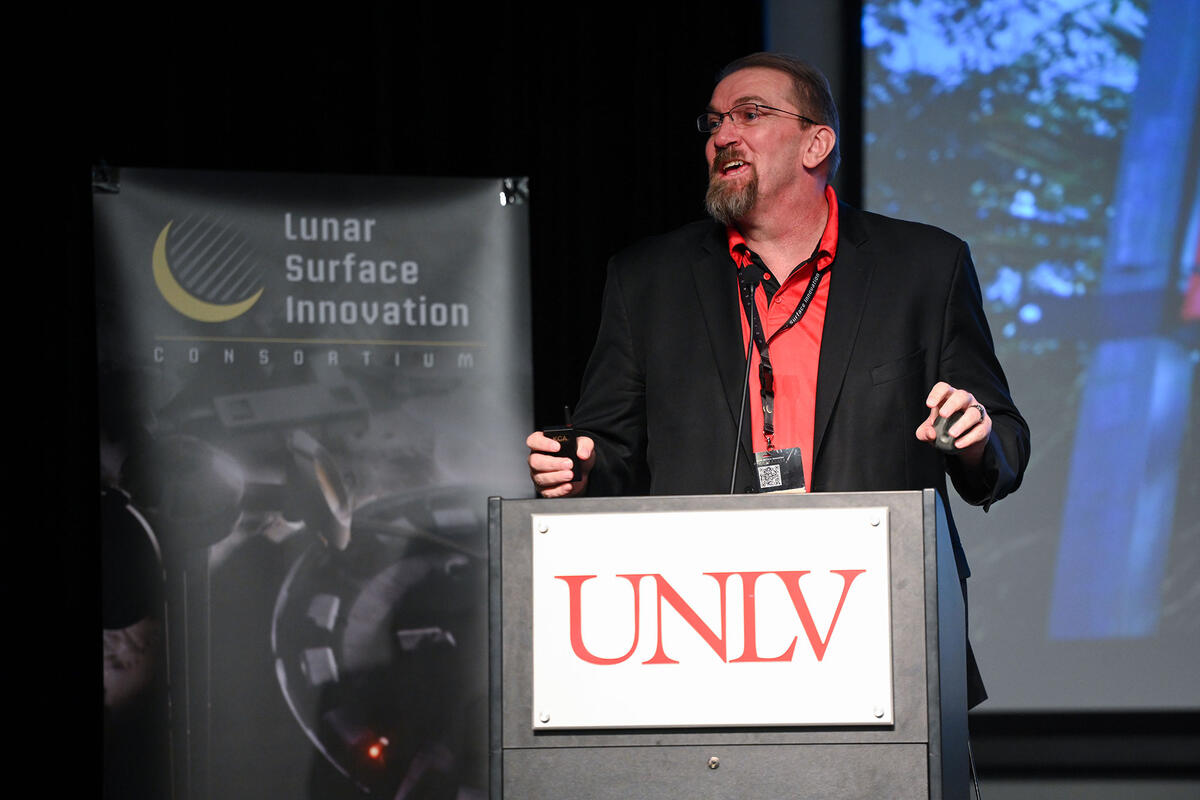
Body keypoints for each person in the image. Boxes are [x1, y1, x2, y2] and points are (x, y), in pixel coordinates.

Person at [526, 53, 1029, 706]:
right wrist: (585, 464)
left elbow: (1004, 445)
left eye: (750, 115)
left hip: (878, 630)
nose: (721, 135)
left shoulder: (924, 267)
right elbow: (610, 445)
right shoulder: (648, 280)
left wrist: (974, 436)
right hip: (694, 635)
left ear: (817, 142)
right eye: (713, 123)